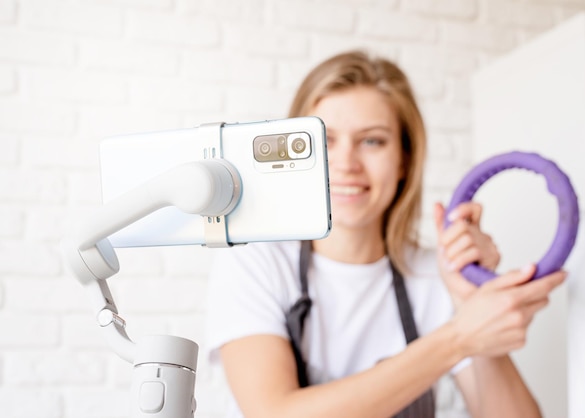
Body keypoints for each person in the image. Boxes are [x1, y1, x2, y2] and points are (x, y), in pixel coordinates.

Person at [205, 50, 565, 418]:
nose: (346, 164)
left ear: (404, 159)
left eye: (372, 141)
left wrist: (473, 306)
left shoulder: (435, 275)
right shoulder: (254, 261)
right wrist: (458, 337)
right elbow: (274, 413)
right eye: (323, 141)